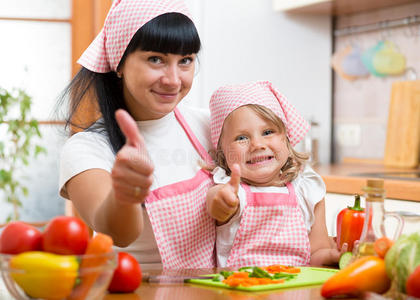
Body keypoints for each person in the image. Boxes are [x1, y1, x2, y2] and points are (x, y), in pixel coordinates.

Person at [58, 0, 216, 269]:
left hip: (210, 291)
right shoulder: (86, 148)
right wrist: (125, 195)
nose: (174, 80)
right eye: (156, 59)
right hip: (133, 290)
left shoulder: (208, 125)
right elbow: (117, 233)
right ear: (119, 63)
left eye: (185, 61)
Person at [206, 81, 346, 267]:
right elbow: (216, 202)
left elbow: (316, 254)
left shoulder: (307, 189)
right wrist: (221, 200)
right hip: (243, 290)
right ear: (222, 151)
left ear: (286, 139)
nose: (258, 145)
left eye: (268, 132)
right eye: (241, 138)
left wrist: (332, 256)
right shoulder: (231, 190)